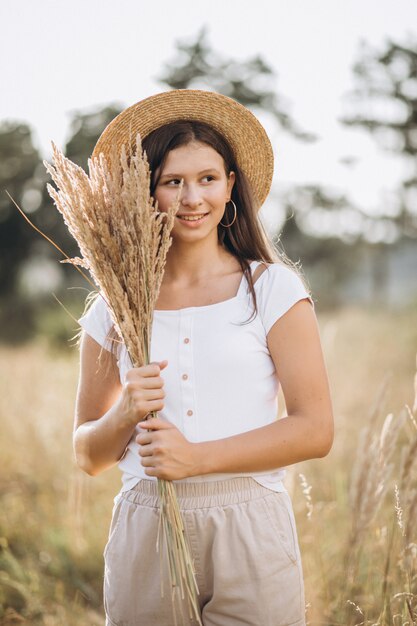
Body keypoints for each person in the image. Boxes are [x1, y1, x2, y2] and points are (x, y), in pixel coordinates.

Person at [74, 89, 334, 626]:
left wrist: (197, 459)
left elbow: (316, 430)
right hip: (145, 522)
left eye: (207, 179)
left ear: (231, 185)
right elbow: (87, 456)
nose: (192, 198)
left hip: (250, 525)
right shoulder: (115, 305)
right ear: (147, 191)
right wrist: (124, 414)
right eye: (173, 181)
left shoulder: (273, 289)